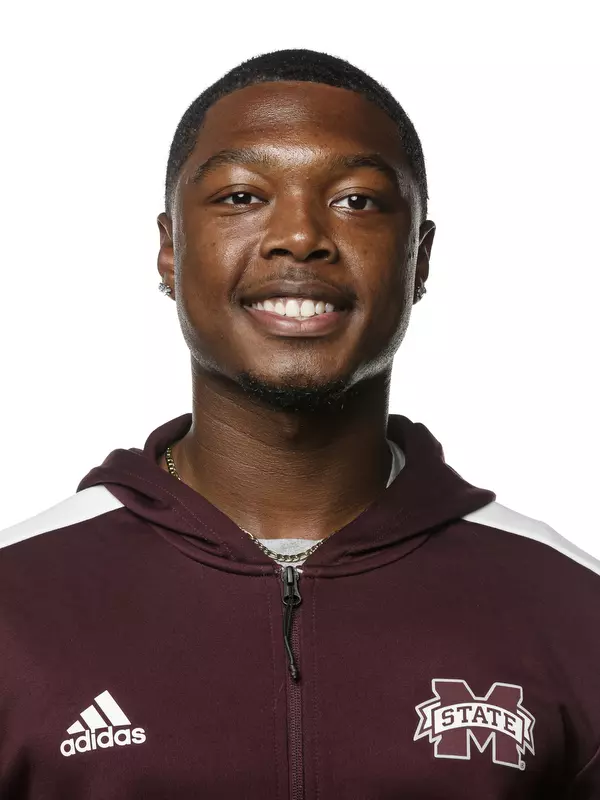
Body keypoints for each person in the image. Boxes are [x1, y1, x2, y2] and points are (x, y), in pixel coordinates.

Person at [0, 47, 598, 800]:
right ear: (169, 249)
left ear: (419, 258)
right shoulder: (16, 605)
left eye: (357, 200)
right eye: (242, 196)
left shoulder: (573, 609)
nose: (300, 236)